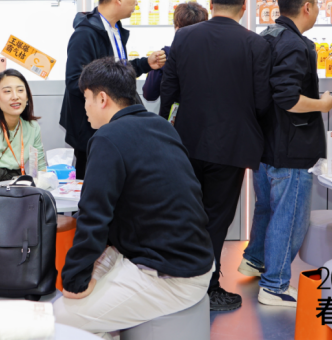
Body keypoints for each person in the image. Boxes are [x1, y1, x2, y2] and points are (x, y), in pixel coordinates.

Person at [54, 57, 214, 339]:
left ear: (102, 98)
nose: (84, 107)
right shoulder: (161, 125)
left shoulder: (107, 138)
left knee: (59, 319)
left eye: (86, 99)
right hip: (194, 259)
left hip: (170, 275)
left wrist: (74, 280)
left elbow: (93, 216)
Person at [159, 0, 271, 311]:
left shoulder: (184, 37)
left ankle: (179, 282)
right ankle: (208, 288)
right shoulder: (256, 44)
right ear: (244, 5)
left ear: (211, 3)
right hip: (232, 146)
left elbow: (169, 92)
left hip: (186, 142)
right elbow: (263, 102)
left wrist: (166, 134)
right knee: (217, 219)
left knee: (184, 212)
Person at [240, 0, 332, 307]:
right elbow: (288, 98)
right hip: (291, 147)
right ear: (307, 7)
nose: (317, 11)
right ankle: (275, 285)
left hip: (265, 144)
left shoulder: (267, 35)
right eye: (317, 5)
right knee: (289, 217)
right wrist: (323, 104)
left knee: (267, 208)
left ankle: (254, 260)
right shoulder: (294, 44)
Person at [60, 0, 167, 178]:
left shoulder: (114, 29)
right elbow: (74, 81)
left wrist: (145, 64)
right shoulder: (85, 34)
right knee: (92, 183)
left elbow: (117, 72)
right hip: (91, 129)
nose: (136, 3)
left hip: (111, 125)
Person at [142, 1, 208, 102]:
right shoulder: (211, 54)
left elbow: (149, 93)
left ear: (177, 28)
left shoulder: (166, 55)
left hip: (175, 111)